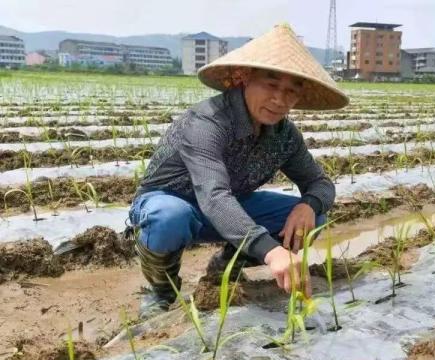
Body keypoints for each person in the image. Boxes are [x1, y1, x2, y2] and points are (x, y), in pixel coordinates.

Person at [128, 24, 349, 318]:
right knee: (168, 217)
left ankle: (226, 266)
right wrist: (272, 251)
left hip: (227, 206)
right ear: (245, 78)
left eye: (291, 92)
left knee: (314, 218)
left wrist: (310, 204)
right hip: (173, 203)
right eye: (271, 85)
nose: (280, 100)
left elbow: (319, 182)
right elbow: (213, 195)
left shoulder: (284, 135)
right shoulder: (206, 123)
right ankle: (161, 291)